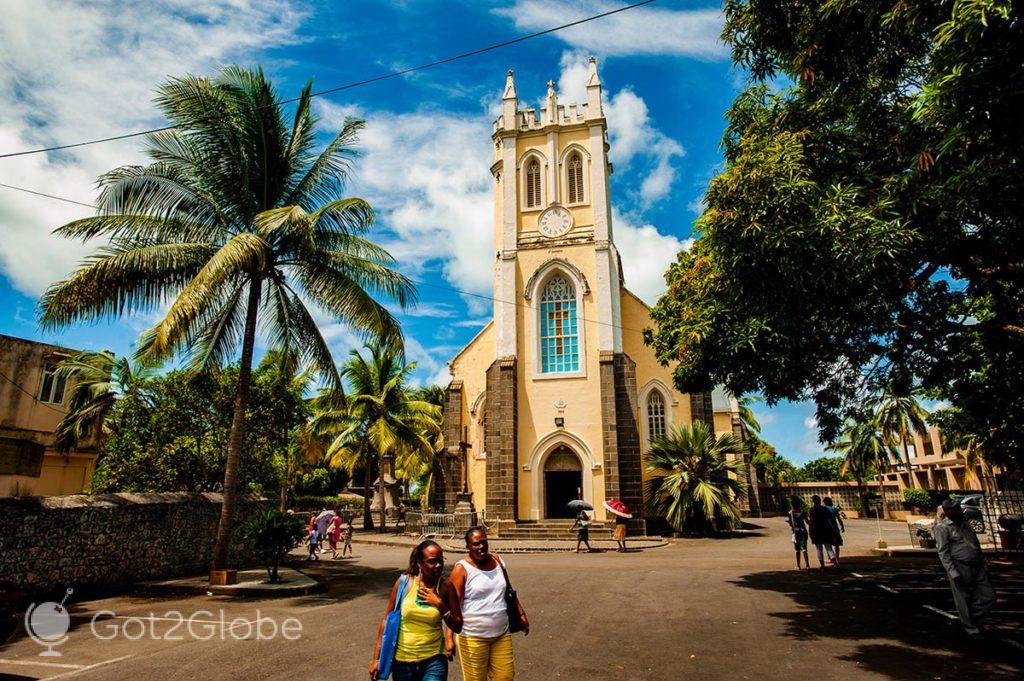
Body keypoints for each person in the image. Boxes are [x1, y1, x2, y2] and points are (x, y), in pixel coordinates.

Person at [370, 540, 462, 681]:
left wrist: (440, 604)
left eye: (440, 560)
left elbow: (458, 625)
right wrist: (377, 659)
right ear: (420, 564)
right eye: (432, 561)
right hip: (402, 661)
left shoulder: (446, 588)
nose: (438, 565)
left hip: (434, 660)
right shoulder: (404, 583)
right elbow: (386, 620)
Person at [450, 527, 529, 681]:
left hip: (501, 633)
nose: (481, 547)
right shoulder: (461, 569)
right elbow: (454, 606)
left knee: (505, 676)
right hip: (473, 637)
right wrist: (449, 637)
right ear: (467, 547)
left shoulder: (497, 560)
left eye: (484, 543)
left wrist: (521, 614)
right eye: (476, 544)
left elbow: (509, 589)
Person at [934, 499, 996, 639]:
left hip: (977, 565)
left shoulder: (965, 524)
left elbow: (975, 543)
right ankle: (971, 628)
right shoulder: (942, 528)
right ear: (948, 512)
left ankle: (970, 617)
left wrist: (984, 564)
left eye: (959, 508)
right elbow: (943, 552)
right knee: (963, 599)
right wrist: (953, 572)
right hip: (959, 566)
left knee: (989, 596)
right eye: (956, 509)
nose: (959, 511)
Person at [808, 495, 838, 569]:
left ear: (813, 501)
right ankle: (835, 564)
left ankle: (822, 565)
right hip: (825, 530)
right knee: (829, 548)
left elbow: (811, 522)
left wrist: (810, 531)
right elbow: (830, 519)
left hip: (816, 531)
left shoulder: (812, 510)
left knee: (819, 548)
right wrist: (832, 529)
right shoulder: (824, 509)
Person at [786, 499, 810, 570]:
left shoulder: (790, 513)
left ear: (792, 505)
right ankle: (807, 565)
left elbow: (791, 523)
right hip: (803, 531)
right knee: (804, 548)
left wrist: (789, 522)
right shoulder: (803, 512)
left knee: (797, 550)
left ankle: (798, 565)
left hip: (796, 532)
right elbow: (807, 522)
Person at [823, 497, 845, 566]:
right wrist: (842, 526)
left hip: (826, 529)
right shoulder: (834, 509)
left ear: (824, 502)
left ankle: (831, 558)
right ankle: (837, 559)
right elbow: (839, 519)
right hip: (835, 528)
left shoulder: (823, 509)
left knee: (828, 545)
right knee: (836, 545)